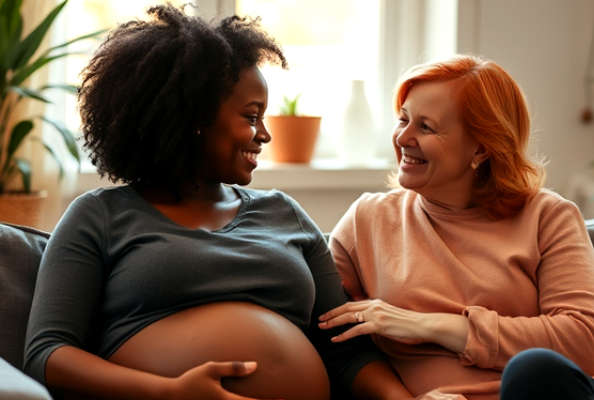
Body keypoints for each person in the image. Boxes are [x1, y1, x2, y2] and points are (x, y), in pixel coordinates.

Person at [23, 4, 427, 400]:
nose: (264, 135)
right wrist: (169, 392)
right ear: (193, 119)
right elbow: (47, 354)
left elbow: (346, 352)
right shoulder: (100, 216)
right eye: (252, 117)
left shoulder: (283, 213)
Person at [317, 54, 594, 400]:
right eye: (403, 120)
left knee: (533, 371)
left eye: (426, 127)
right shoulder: (367, 221)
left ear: (482, 148)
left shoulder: (547, 216)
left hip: (560, 392)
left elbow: (585, 341)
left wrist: (428, 325)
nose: (402, 138)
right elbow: (330, 337)